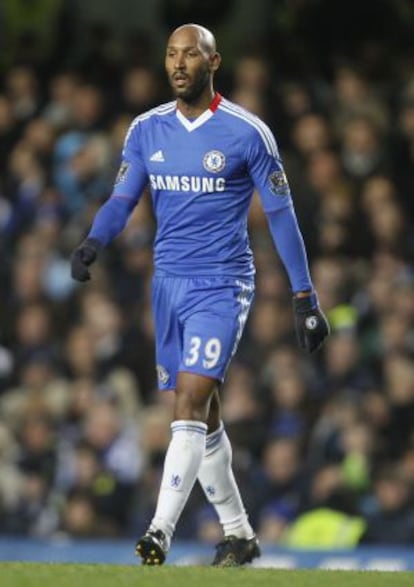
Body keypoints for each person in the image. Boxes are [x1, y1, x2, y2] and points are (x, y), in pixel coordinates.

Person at [70, 23, 330, 566]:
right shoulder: (146, 129)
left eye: (191, 54)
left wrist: (304, 296)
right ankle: (239, 534)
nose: (179, 64)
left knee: (188, 399)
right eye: (171, 54)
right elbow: (123, 198)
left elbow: (281, 214)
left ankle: (159, 530)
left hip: (222, 284)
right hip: (167, 285)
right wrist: (94, 240)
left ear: (214, 63)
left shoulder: (246, 133)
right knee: (203, 415)